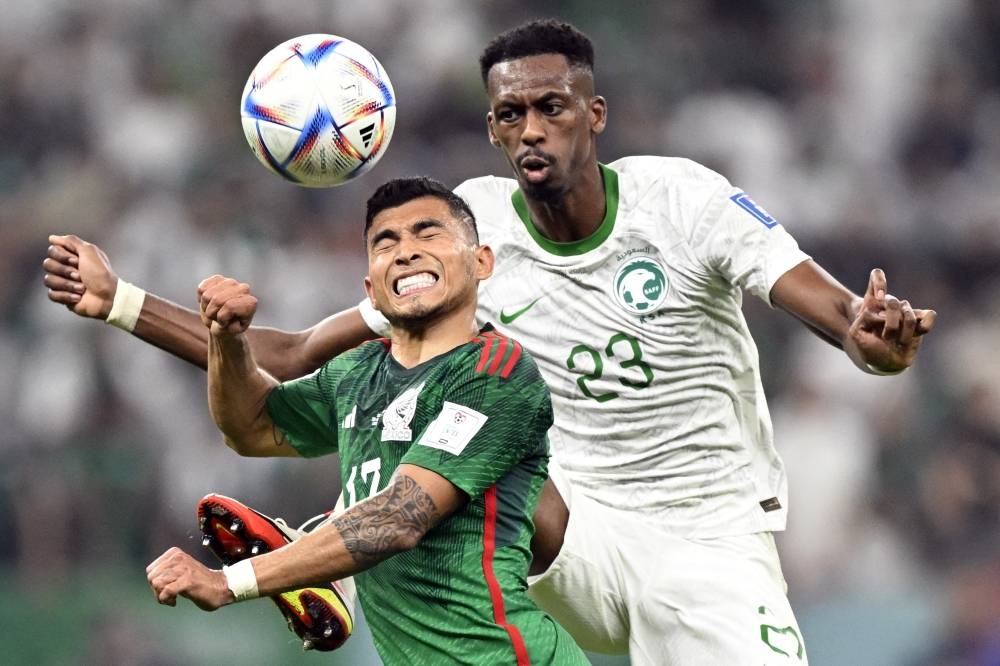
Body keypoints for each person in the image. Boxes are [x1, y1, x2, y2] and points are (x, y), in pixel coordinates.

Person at [45, 19, 936, 665]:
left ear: (595, 113)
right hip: (565, 532)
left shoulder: (684, 201)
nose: (531, 129)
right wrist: (120, 300)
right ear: (492, 129)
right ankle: (329, 558)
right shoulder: (472, 238)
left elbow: (839, 317)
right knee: (455, 403)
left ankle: (316, 550)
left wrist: (874, 339)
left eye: (551, 107)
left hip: (708, 540)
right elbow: (283, 359)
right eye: (511, 115)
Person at [145, 176, 589, 665]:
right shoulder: (357, 371)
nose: (407, 252)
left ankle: (320, 556)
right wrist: (225, 340)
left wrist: (229, 583)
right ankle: (322, 557)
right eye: (386, 242)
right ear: (370, 290)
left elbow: (401, 516)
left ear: (481, 262)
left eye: (428, 233)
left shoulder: (497, 373)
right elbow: (250, 427)